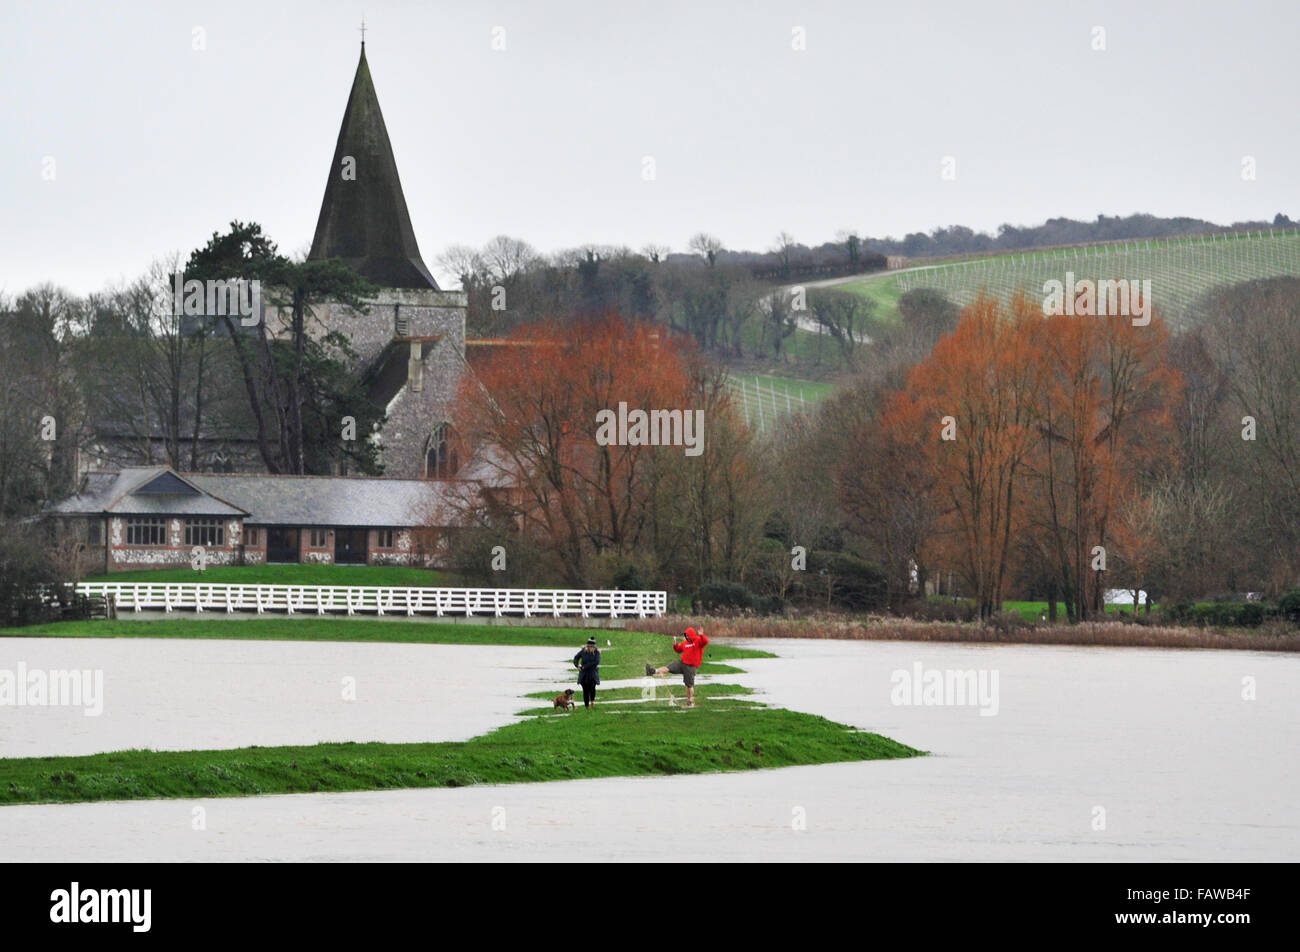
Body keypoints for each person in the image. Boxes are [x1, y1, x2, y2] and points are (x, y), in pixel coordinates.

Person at [646, 626, 709, 707]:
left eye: (687, 635)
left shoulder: (698, 641)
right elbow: (678, 650)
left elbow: (706, 641)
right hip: (682, 663)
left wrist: (701, 635)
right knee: (668, 668)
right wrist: (675, 644)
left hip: (691, 667)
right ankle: (652, 671)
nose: (686, 637)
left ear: (691, 635)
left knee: (689, 685)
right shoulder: (685, 643)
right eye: (685, 635)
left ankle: (690, 701)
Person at [573, 637, 601, 709]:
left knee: (592, 689)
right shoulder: (583, 651)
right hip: (584, 674)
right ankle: (586, 706)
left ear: (594, 647)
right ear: (587, 646)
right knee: (585, 690)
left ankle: (592, 701)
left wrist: (584, 666)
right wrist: (577, 665)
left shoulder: (597, 652)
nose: (590, 648)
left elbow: (596, 662)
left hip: (593, 674)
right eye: (589, 646)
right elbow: (576, 657)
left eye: (592, 647)